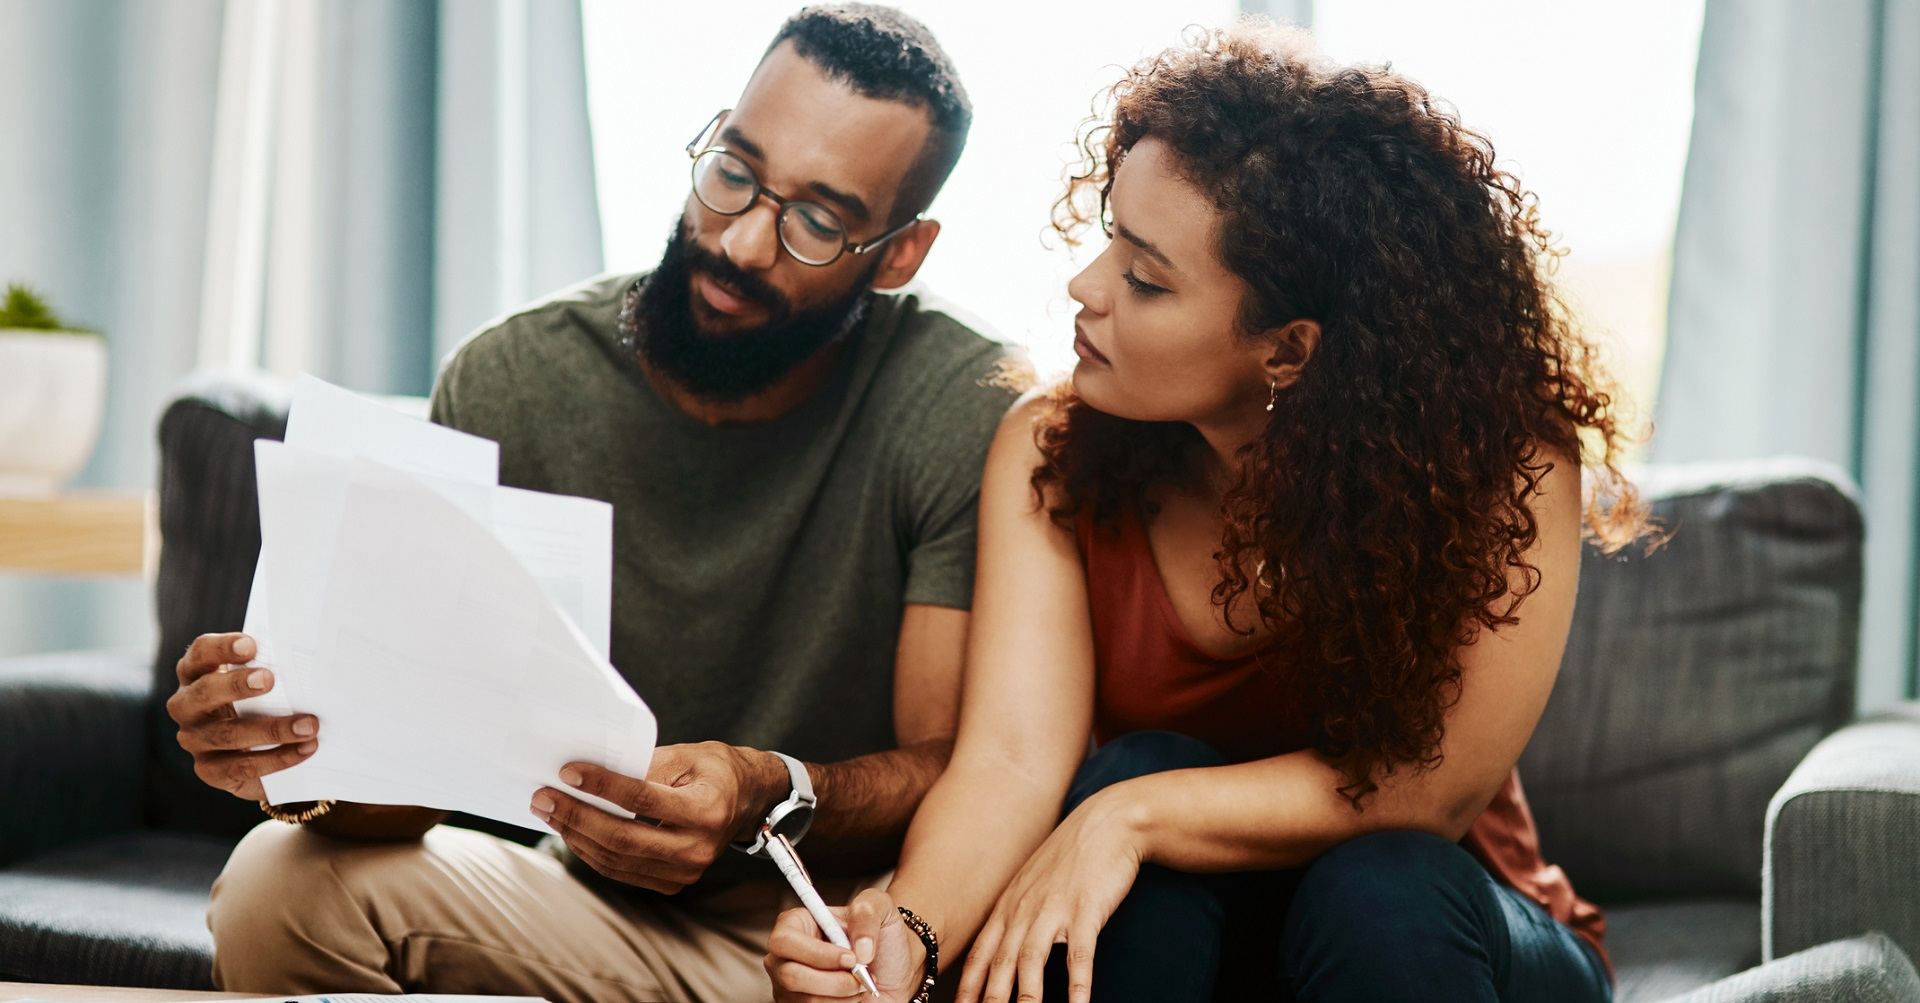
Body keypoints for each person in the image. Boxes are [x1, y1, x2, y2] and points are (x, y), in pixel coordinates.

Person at [764, 20, 1653, 1003]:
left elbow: (1429, 792)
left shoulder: (1506, 463)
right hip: (1198, 954)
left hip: (1444, 938)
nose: (1086, 287)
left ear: (1289, 351)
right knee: (1129, 789)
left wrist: (1131, 816)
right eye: (1110, 238)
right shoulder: (1050, 449)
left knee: (1371, 880)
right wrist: (908, 935)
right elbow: (1014, 763)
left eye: (1145, 279)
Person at [165, 6, 1017, 1002]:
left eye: (819, 222)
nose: (741, 241)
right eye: (734, 170)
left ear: (902, 252)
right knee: (279, 879)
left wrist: (765, 791)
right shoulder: (514, 379)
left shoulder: (959, 401)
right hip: (583, 910)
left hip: (831, 937)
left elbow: (954, 764)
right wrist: (297, 762)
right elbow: (416, 787)